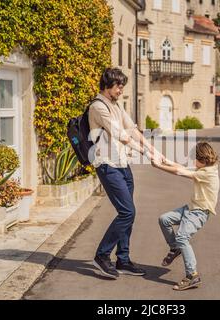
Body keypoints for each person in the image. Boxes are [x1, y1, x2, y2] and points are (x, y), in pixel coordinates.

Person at [89, 68, 164, 279]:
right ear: (107, 86)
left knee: (128, 213)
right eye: (118, 86)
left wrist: (153, 149)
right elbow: (120, 135)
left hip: (121, 164)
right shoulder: (98, 107)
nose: (121, 90)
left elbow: (131, 129)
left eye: (122, 86)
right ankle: (102, 255)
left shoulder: (115, 105)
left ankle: (123, 259)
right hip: (107, 165)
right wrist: (145, 154)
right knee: (127, 212)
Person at [151, 142, 220, 291]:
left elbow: (179, 173)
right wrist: (166, 160)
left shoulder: (207, 173)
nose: (193, 161)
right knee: (164, 219)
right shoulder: (205, 168)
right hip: (190, 209)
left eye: (194, 158)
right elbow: (182, 168)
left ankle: (192, 275)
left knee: (182, 237)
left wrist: (158, 166)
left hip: (199, 213)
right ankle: (175, 248)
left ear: (201, 158)